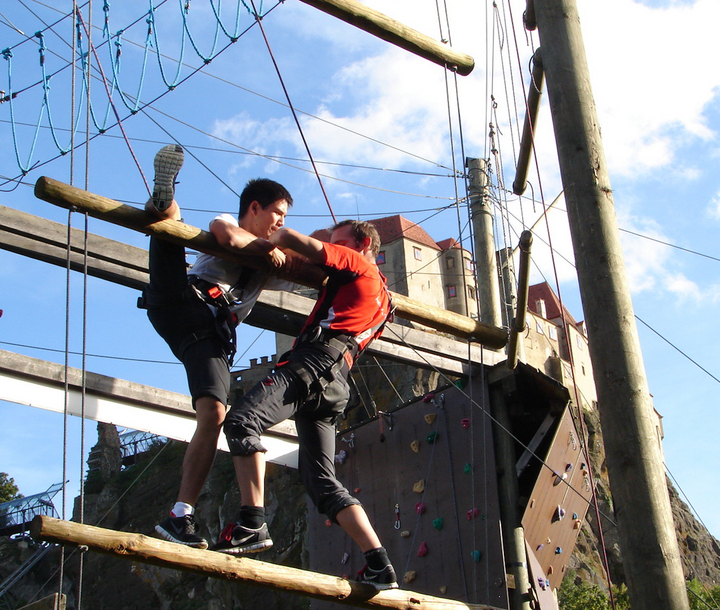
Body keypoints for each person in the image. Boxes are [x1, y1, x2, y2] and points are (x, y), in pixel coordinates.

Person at [218, 219, 398, 590]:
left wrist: (275, 242)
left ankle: (251, 520)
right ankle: (379, 563)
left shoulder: (358, 263)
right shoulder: (385, 297)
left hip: (312, 363)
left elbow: (288, 239)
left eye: (341, 243)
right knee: (321, 482)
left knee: (241, 422)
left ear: (363, 245)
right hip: (337, 381)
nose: (336, 249)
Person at [140, 144, 293, 550]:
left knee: (214, 413)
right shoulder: (230, 224)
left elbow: (307, 273)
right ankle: (165, 196)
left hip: (207, 334)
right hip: (182, 300)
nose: (281, 223)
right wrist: (272, 250)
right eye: (278, 214)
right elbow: (228, 236)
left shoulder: (270, 264)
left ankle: (179, 516)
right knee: (170, 227)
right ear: (255, 208)